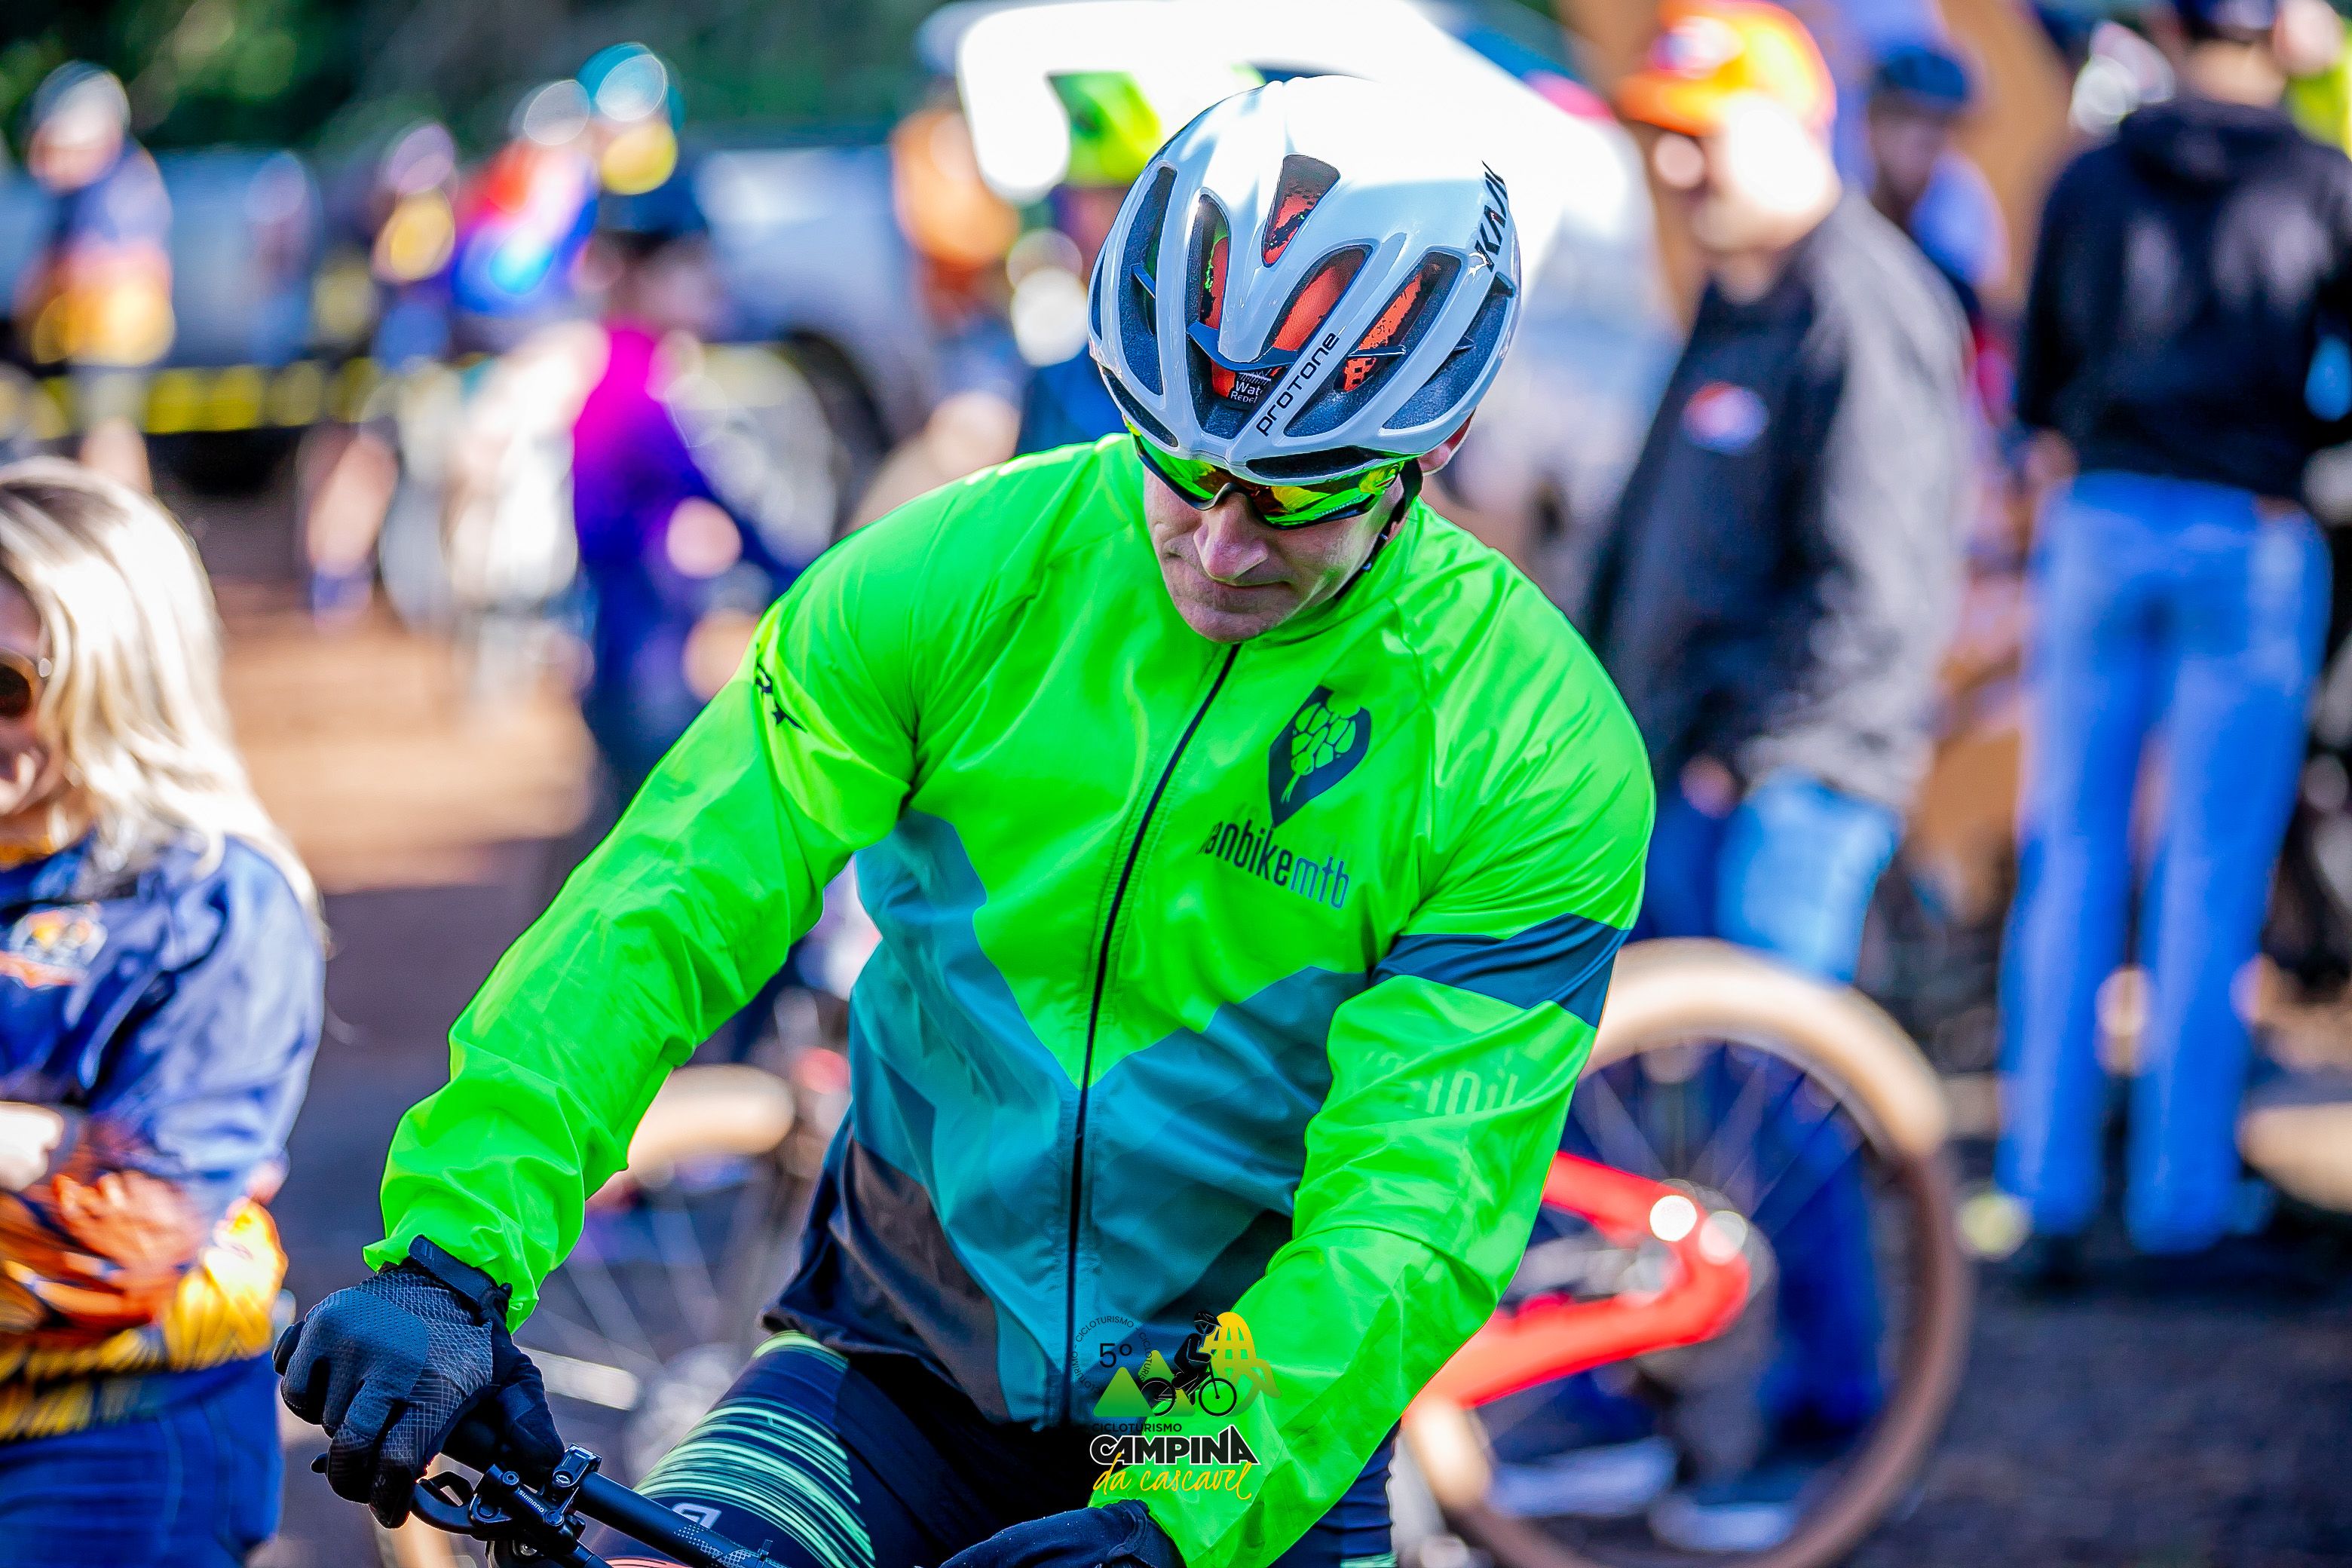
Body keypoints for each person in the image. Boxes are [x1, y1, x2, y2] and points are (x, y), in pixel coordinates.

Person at [275, 75, 1654, 1568]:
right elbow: (666, 898)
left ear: (1435, 443)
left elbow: (1411, 1208)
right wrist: (452, 1254)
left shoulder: (1530, 742)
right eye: (1183, 463)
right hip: (902, 1369)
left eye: (1296, 493)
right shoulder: (960, 569)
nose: (1218, 542)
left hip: (1229, 1412)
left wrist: (1171, 1518)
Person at [1581, 0, 1969, 1547]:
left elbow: (1884, 589)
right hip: (1679, 775)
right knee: (1626, 1095)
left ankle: (1831, 1434)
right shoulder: (1734, 300)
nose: (1677, 169)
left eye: (1704, 138)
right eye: (1660, 141)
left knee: (1784, 1099)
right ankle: (1613, 1405)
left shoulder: (1864, 305)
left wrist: (1759, 759)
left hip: (1787, 787)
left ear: (1797, 126)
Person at [1998, 0, 2351, 1279]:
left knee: (2071, 858)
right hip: (2250, 532)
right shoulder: (2321, 180)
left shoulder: (2092, 176)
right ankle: (2180, 1203)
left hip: (2100, 519)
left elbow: (2037, 381)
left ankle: (2044, 1189)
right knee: (2210, 873)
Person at [0, 460, 325, 1565]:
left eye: (5, 685)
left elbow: (132, 1237)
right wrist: (49, 1143)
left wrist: (68, 1157)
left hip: (120, 1437)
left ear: (118, 679)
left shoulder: (216, 903)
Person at [568, 167, 804, 801]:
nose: (712, 281)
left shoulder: (647, 373)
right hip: (642, 680)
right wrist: (809, 580)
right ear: (639, 277)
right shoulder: (628, 388)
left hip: (640, 667)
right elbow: (700, 508)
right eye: (691, 265)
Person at [12, 66, 173, 495]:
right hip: (90, 338)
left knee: (107, 437)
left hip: (111, 340)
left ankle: (120, 516)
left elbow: (84, 264)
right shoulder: (90, 187)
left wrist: (33, 302)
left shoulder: (114, 184)